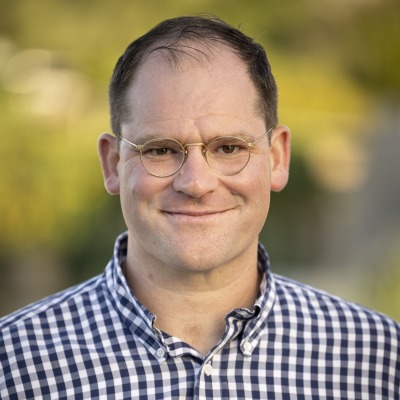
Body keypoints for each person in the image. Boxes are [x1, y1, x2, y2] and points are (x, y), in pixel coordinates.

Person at [0, 15, 399, 399]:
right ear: (113, 164)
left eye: (228, 148)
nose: (196, 183)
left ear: (277, 158)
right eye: (160, 150)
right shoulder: (12, 365)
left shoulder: (380, 361)